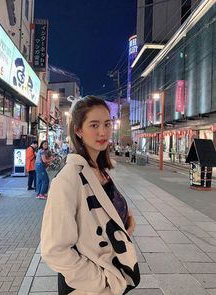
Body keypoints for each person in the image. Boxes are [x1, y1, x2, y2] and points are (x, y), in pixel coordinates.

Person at [41, 95, 140, 295]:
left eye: (107, 124)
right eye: (94, 125)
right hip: (86, 287)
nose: (102, 132)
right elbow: (55, 250)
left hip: (111, 274)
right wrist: (101, 282)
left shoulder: (99, 170)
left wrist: (126, 220)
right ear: (78, 130)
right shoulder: (68, 179)